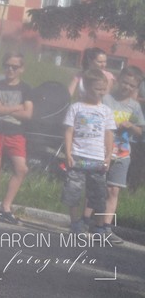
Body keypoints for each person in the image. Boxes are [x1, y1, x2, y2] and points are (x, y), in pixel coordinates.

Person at [62, 68, 115, 235]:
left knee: (98, 193)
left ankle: (99, 225)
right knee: (73, 191)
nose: (100, 93)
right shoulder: (76, 107)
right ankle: (74, 222)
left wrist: (108, 155)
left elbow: (109, 134)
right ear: (87, 87)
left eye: (103, 89)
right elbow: (69, 131)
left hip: (97, 158)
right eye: (97, 89)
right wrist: (68, 153)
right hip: (78, 155)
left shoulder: (106, 111)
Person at [0, 52, 34, 224]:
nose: (11, 69)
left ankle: (6, 206)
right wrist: (16, 107)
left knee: (21, 169)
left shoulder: (26, 89)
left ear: (22, 69)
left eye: (15, 67)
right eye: (8, 66)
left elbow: (28, 114)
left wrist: (5, 107)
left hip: (16, 133)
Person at [100, 67, 144, 243]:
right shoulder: (106, 99)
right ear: (118, 80)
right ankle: (88, 222)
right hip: (102, 150)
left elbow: (140, 131)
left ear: (136, 87)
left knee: (113, 190)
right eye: (125, 82)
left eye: (132, 85)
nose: (127, 86)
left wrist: (130, 126)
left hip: (123, 151)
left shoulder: (134, 106)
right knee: (97, 188)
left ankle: (105, 227)